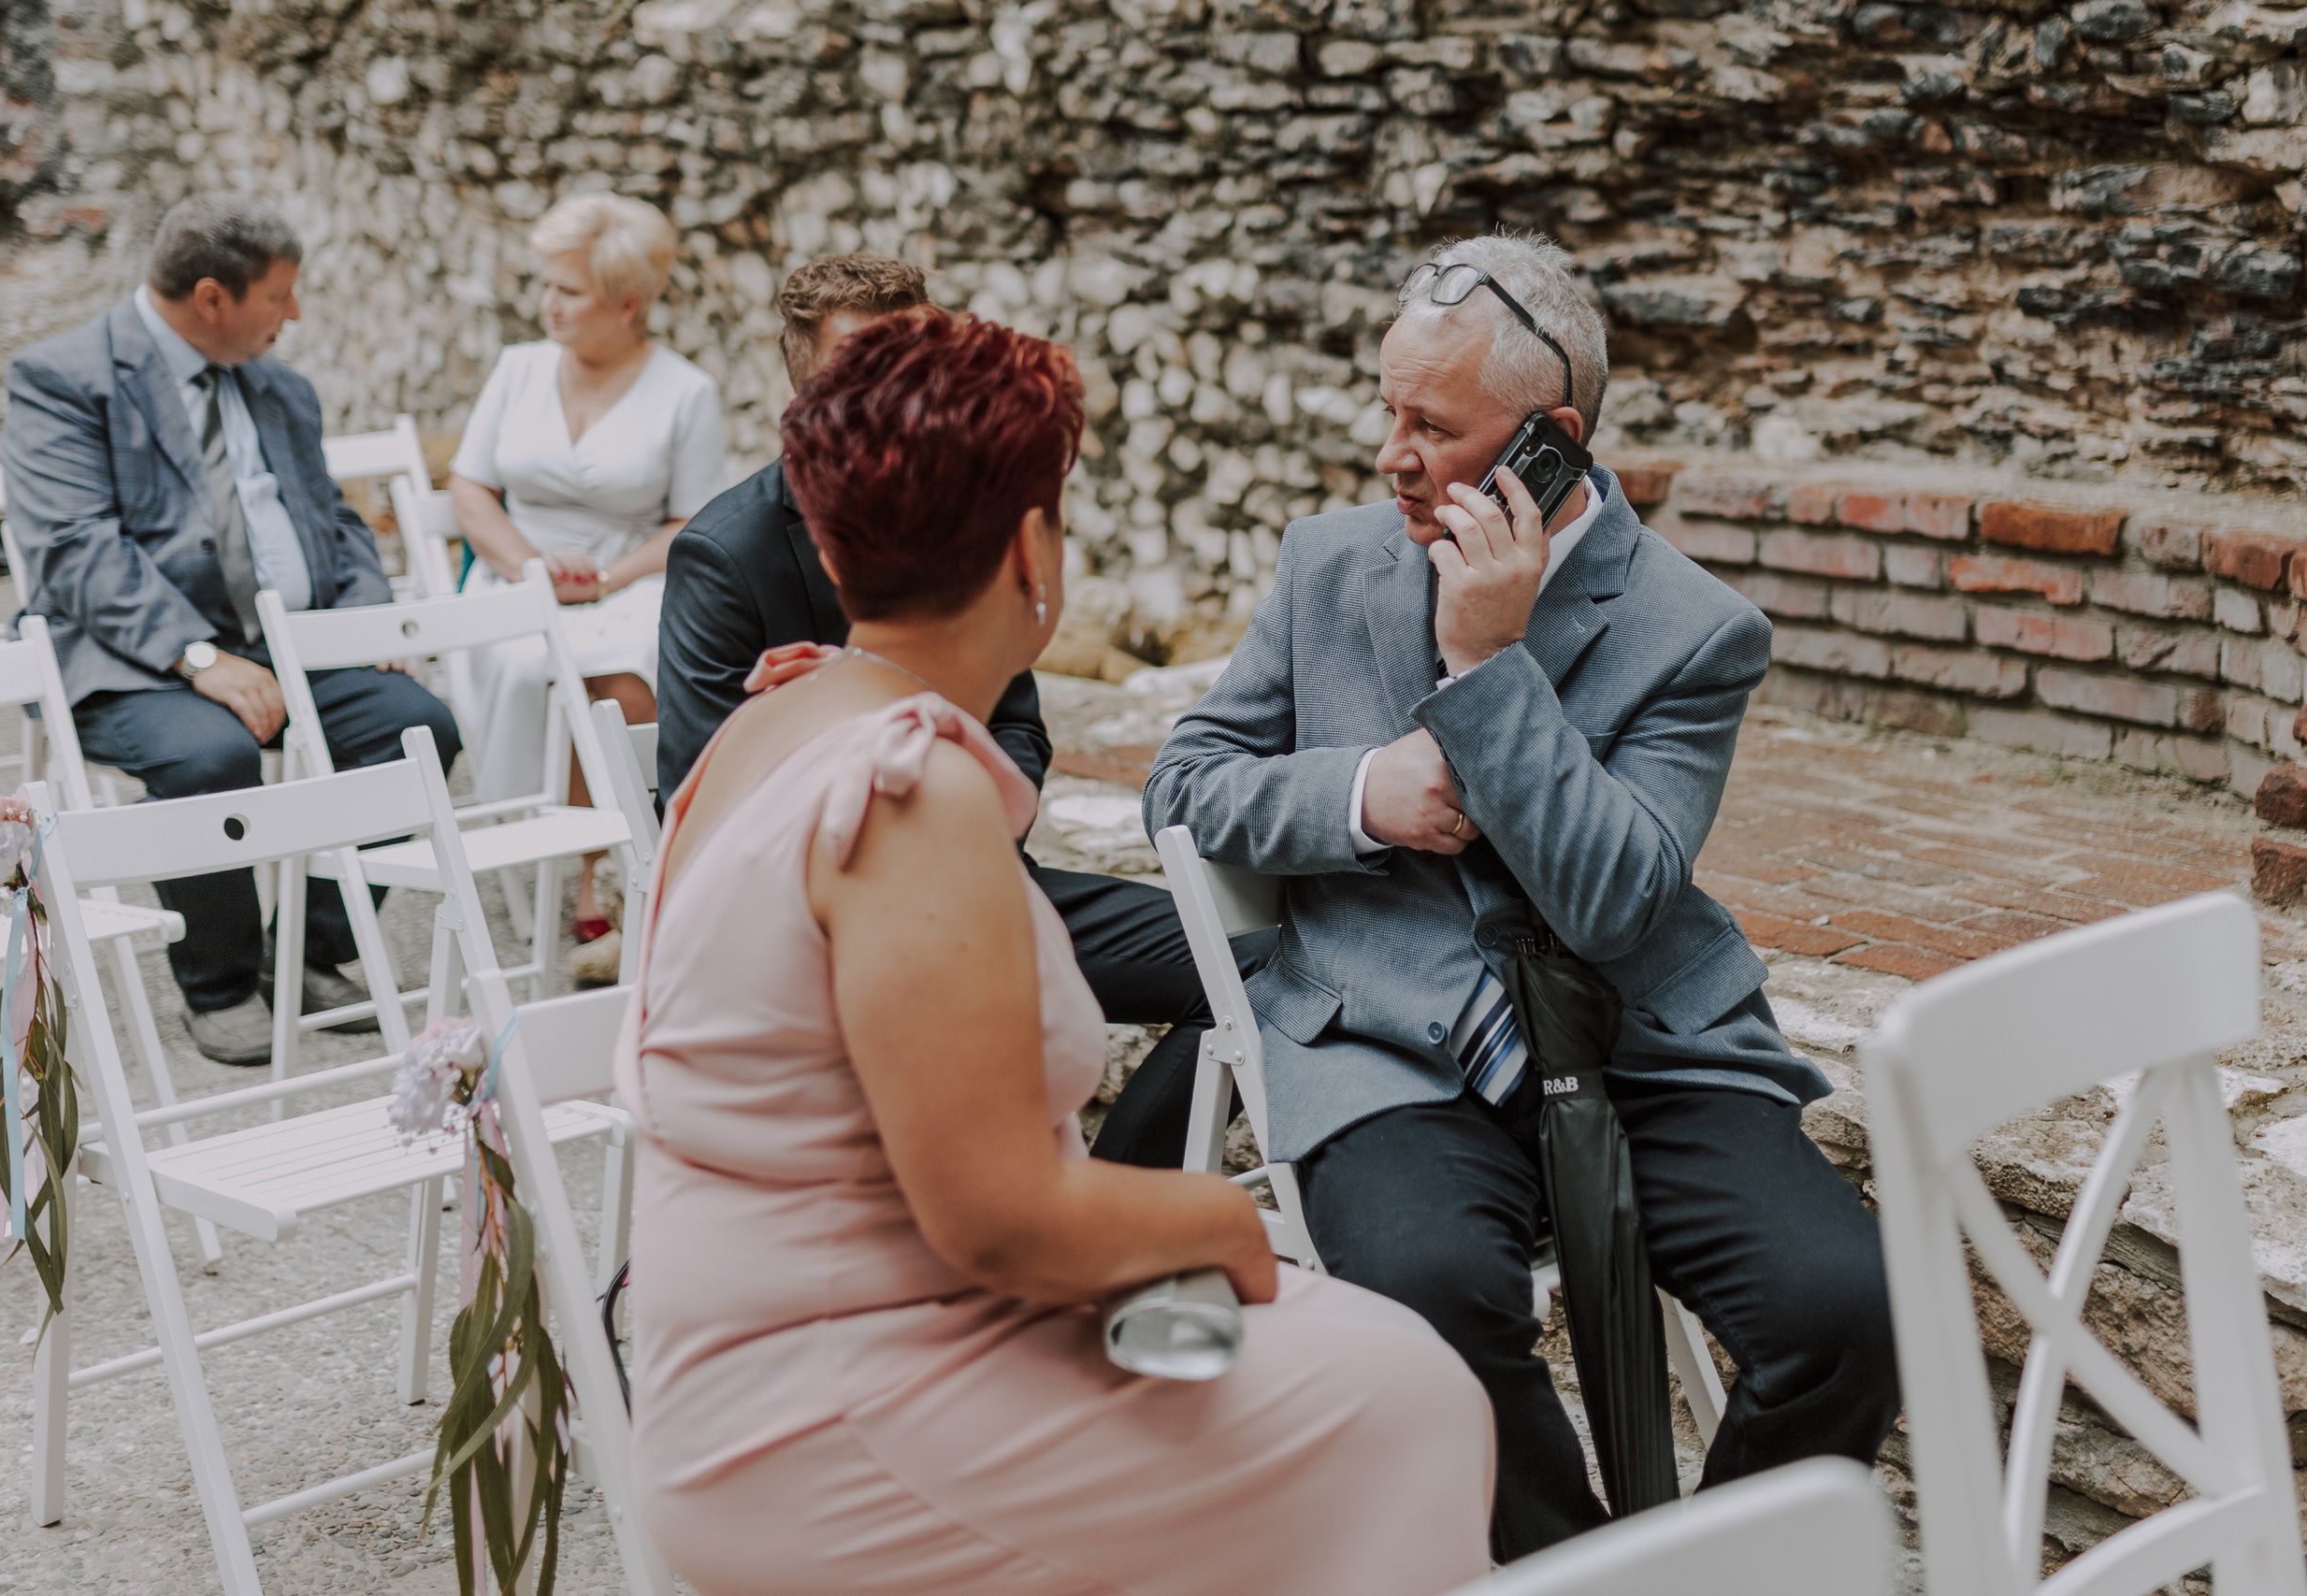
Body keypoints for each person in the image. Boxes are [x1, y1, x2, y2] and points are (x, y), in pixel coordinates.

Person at [617, 304, 1492, 1596]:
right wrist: (1222, 1221)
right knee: (1408, 1392)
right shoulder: (907, 794)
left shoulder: (778, 713)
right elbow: (1001, 1220)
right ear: (1033, 545)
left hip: (751, 1354)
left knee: (1351, 1374)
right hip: (835, 1404)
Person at [1144, 232, 1898, 1562]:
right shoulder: (1330, 564)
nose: (1392, 455)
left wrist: (1489, 665)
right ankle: (1574, 1576)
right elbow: (1185, 784)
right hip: (1385, 1038)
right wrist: (1363, 790)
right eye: (1388, 410)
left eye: (1432, 427)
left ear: (1551, 441)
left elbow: (1616, 901)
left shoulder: (1694, 629)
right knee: (1428, 1302)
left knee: (1848, 1309)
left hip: (1642, 1042)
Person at [656, 253, 1261, 1169]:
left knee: (1254, 960)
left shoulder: (963, 519)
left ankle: (1125, 1176)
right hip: (825, 929)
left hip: (988, 868)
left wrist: (970, 831)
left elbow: (1018, 724)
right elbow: (705, 802)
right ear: (804, 393)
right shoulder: (727, 553)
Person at [0, 193, 461, 1067]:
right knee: (212, 755)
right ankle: (219, 984)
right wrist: (198, 655)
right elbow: (73, 548)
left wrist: (361, 618)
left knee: (417, 728)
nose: (296, 313)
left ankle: (308, 953)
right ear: (212, 298)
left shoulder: (281, 388)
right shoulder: (63, 377)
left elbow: (336, 521)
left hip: (283, 644)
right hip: (129, 656)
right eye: (280, 295)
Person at [449, 192, 723, 956]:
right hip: (516, 571)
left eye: (568, 291)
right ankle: (540, 838)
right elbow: (470, 489)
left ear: (627, 303)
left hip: (632, 574)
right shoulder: (518, 369)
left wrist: (605, 580)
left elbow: (691, 523)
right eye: (547, 285)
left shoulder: (686, 392)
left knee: (626, 675)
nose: (549, 304)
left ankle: (604, 863)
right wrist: (529, 568)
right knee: (522, 661)